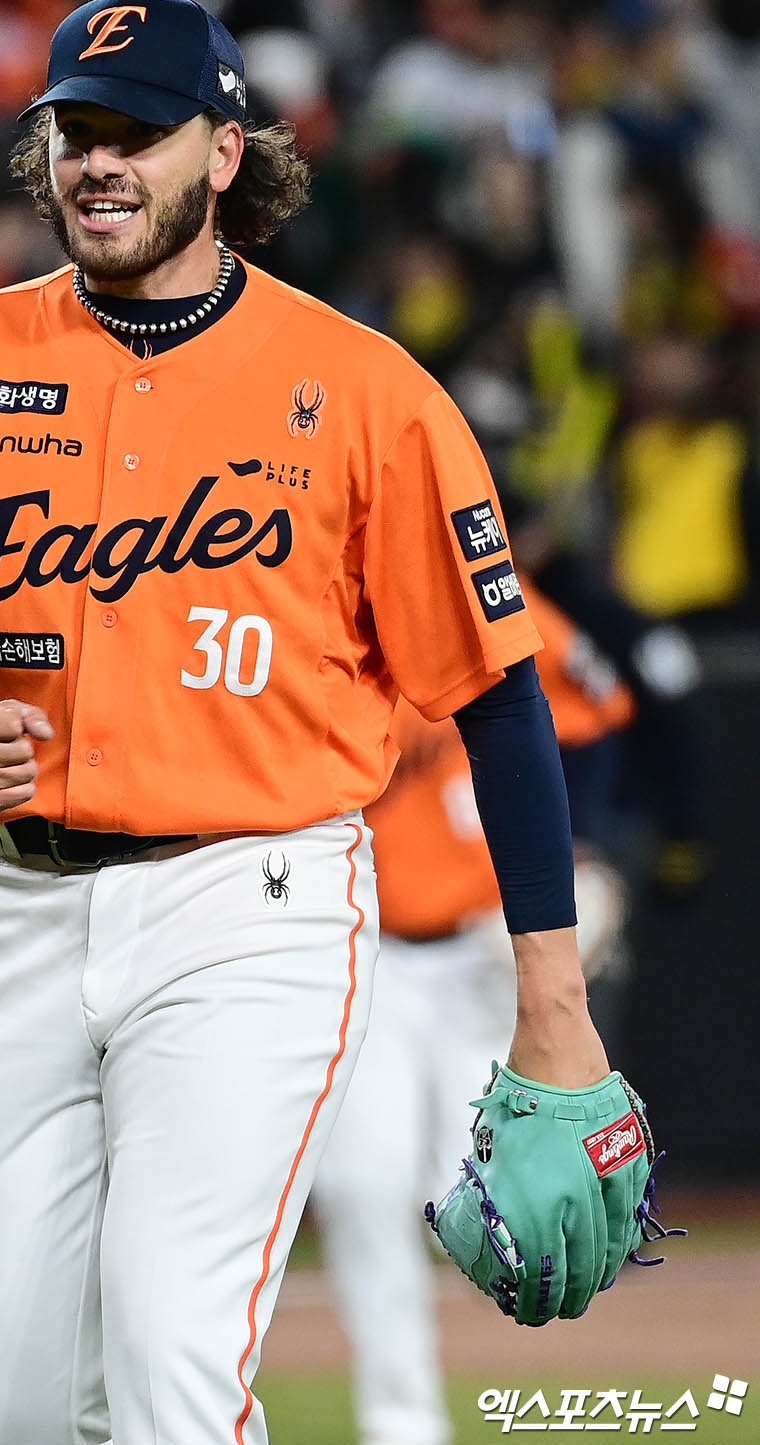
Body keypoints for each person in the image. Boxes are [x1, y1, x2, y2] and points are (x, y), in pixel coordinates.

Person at [0, 0, 622, 1445]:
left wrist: (555, 1007)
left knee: (170, 1363)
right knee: (4, 1415)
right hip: (17, 911)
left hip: (254, 904)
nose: (97, 160)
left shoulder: (366, 390)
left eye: (137, 131)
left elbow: (501, 698)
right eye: (75, 129)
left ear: (226, 150)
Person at [313, 577, 633, 1445]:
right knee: (362, 1187)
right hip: (358, 954)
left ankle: (554, 1403)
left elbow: (599, 700)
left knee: (483, 1199)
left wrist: (585, 842)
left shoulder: (478, 591)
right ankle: (401, 1423)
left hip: (482, 956)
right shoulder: (307, 595)